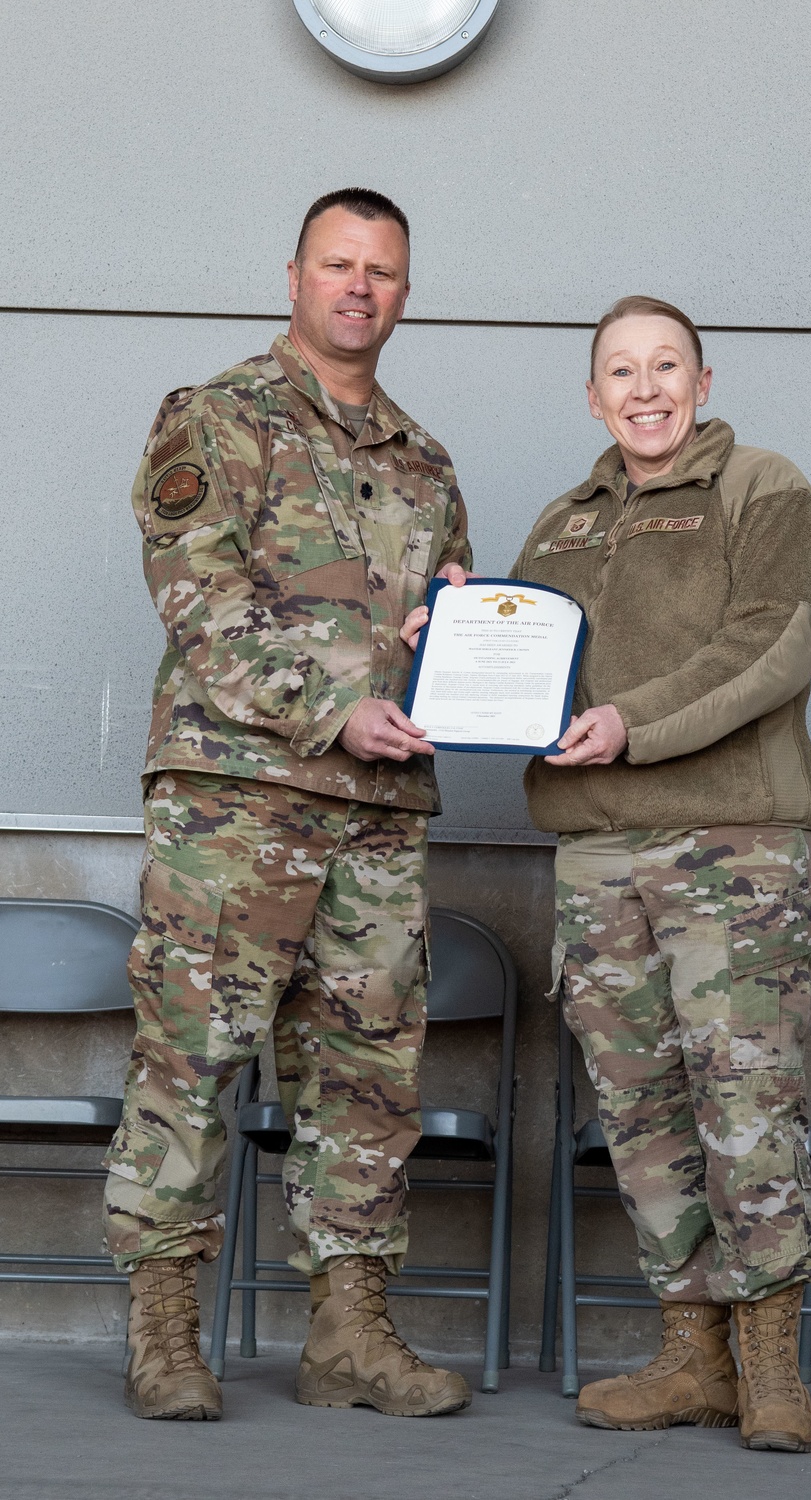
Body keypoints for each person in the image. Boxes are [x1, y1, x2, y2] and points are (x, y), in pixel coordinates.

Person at [411, 294, 811, 1450]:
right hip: (598, 857)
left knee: (746, 1108)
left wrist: (626, 725)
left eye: (666, 367)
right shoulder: (565, 522)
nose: (644, 388)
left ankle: (769, 1369)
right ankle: (691, 1357)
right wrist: (448, 641)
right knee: (644, 1117)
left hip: (728, 849)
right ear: (593, 396)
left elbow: (771, 642)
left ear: (704, 383)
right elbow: (523, 657)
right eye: (620, 371)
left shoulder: (764, 488)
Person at [103, 188, 473, 1422]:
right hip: (236, 804)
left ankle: (349, 1336)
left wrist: (452, 644)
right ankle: (163, 1333)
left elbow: (440, 640)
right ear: (295, 274)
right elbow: (198, 598)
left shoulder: (426, 464)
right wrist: (334, 706)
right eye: (337, 264)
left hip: (377, 814)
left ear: (403, 293)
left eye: (381, 270)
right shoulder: (215, 417)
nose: (358, 286)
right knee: (192, 1060)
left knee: (366, 1078)